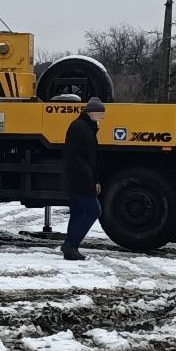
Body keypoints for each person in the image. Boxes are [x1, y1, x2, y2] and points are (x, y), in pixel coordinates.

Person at [60, 97, 105, 260]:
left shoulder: (86, 128)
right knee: (94, 210)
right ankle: (71, 244)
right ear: (92, 113)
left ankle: (71, 247)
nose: (102, 118)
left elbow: (91, 158)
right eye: (101, 115)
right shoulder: (80, 127)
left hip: (80, 178)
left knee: (78, 212)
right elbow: (77, 158)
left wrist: (96, 179)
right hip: (80, 179)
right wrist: (91, 180)